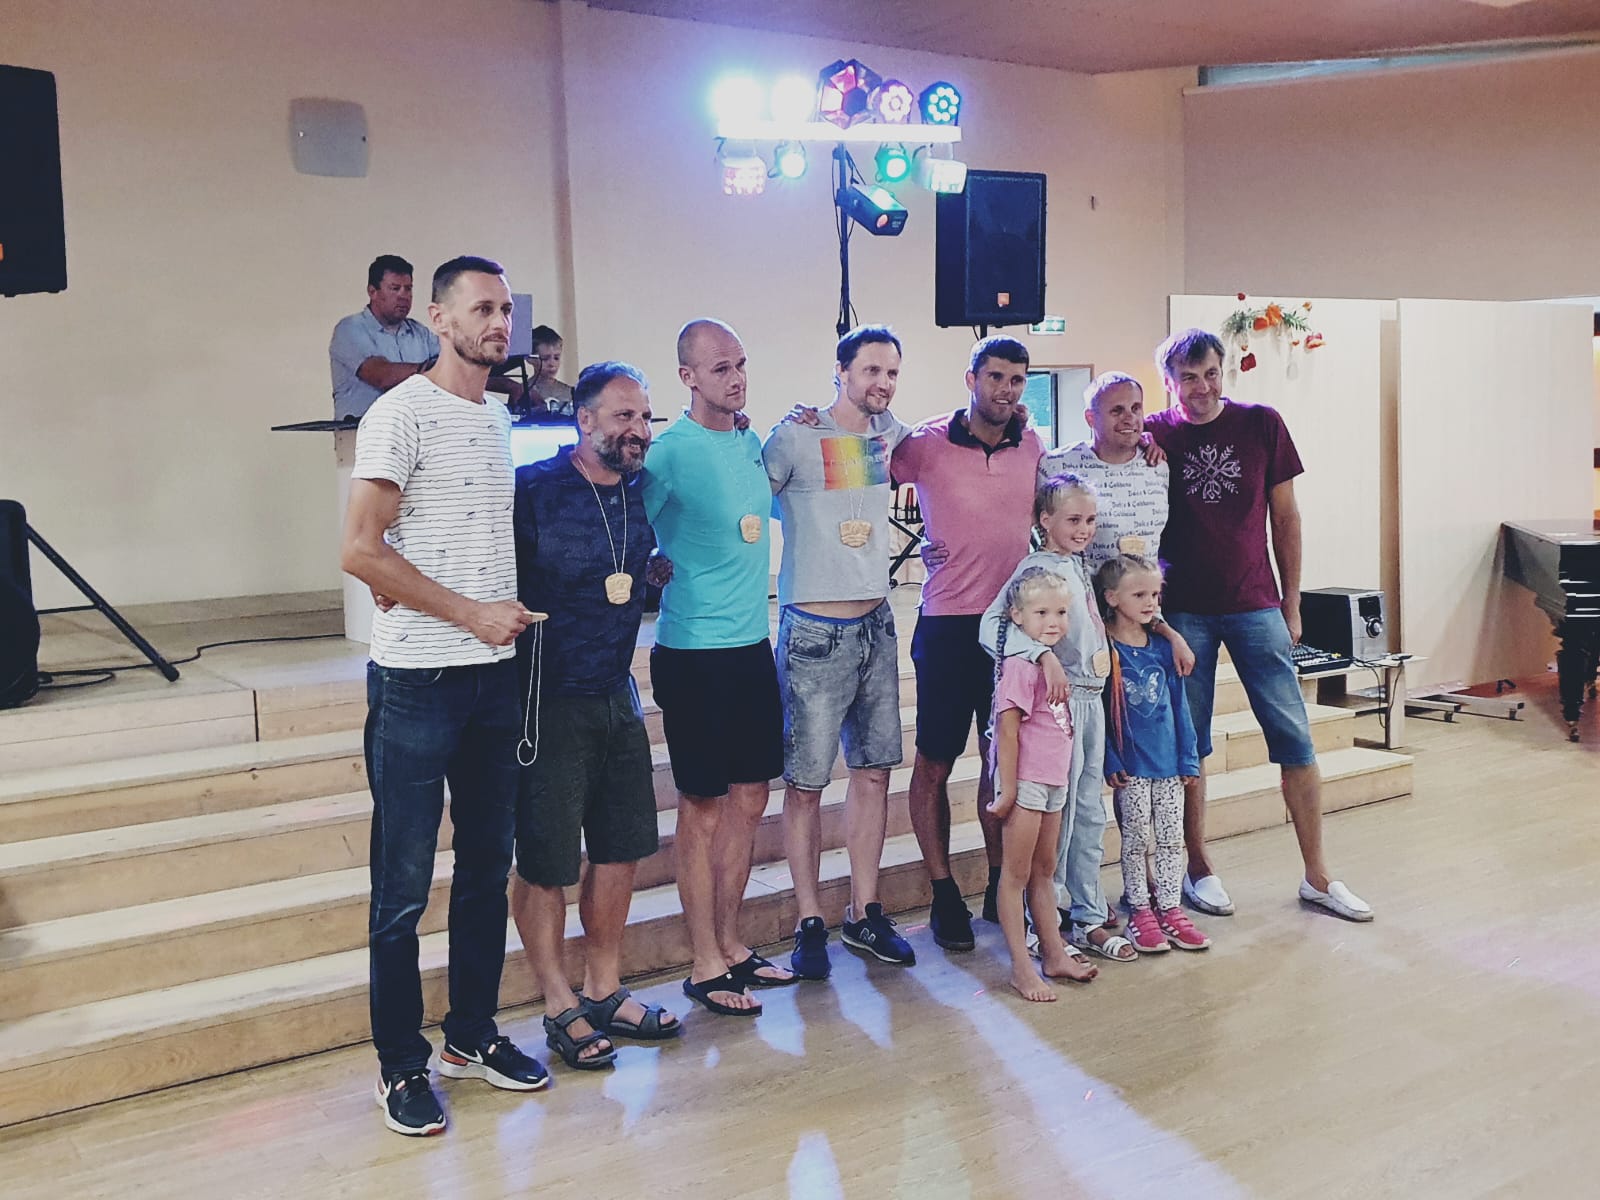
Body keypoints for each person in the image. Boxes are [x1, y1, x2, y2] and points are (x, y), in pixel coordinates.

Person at [341, 255, 548, 1137]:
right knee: (401, 887)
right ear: (438, 317)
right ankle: (400, 1065)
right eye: (481, 308)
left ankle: (470, 1035)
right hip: (417, 682)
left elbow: (449, 536)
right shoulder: (400, 412)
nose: (499, 323)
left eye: (505, 310)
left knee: (485, 871)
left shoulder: (496, 415)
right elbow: (360, 548)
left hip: (493, 681)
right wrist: (467, 612)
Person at [1148, 329, 1372, 922]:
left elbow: (1286, 518)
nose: (1202, 387)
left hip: (1256, 604)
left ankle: (1318, 875)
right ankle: (1198, 868)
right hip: (1183, 611)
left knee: (1294, 738)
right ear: (1169, 382)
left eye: (1211, 373)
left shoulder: (1261, 424)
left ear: (1223, 372)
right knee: (1189, 746)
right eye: (1188, 377)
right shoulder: (1154, 434)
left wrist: (1291, 603)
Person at [509, 360, 682, 1073]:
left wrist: (651, 580)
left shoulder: (639, 489)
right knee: (546, 860)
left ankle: (604, 987)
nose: (637, 429)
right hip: (546, 699)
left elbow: (628, 572)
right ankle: (557, 1001)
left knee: (620, 847)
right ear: (584, 421)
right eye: (622, 416)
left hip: (616, 691)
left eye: (644, 416)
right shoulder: (534, 489)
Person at [643, 319, 794, 1016]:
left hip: (750, 645)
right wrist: (649, 568)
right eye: (720, 368)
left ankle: (731, 944)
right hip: (692, 651)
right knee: (701, 810)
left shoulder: (749, 442)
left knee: (751, 798)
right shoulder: (669, 451)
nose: (736, 379)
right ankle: (703, 961)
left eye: (740, 364)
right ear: (688, 377)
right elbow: (627, 527)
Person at [763, 324, 916, 978]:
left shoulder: (888, 436)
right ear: (841, 371)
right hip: (814, 634)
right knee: (805, 785)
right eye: (870, 370)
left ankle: (864, 911)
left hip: (876, 626)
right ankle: (809, 920)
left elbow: (945, 438)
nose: (882, 383)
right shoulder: (794, 436)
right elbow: (753, 501)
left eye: (891, 372)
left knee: (874, 773)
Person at [889, 336, 1045, 954]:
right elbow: (860, 474)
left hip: (1011, 629)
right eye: (995, 377)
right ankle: (943, 892)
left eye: (1016, 380)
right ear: (971, 378)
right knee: (934, 761)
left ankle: (1001, 888)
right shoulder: (926, 443)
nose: (1005, 390)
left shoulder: (1031, 444)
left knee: (999, 763)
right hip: (948, 626)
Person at [1040, 370, 1214, 915]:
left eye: (1136, 408)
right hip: (1083, 641)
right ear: (1090, 418)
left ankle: (1149, 892)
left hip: (1142, 633)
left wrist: (1163, 628)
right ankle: (1064, 897)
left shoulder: (1156, 463)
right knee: (1083, 779)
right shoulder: (1060, 465)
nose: (1130, 419)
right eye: (1116, 410)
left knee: (1133, 773)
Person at [981, 474, 1136, 966]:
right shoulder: (1035, 569)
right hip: (1060, 705)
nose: (1084, 529)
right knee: (1061, 822)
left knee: (1088, 812)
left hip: (1091, 703)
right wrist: (1041, 655)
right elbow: (992, 625)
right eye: (1073, 519)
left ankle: (1088, 913)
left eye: (1090, 519)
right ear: (1045, 520)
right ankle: (1046, 926)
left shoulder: (1075, 565)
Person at [986, 566, 1100, 1001]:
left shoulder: (1054, 664)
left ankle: (1054, 953)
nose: (1053, 622)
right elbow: (1007, 729)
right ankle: (1020, 967)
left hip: (1054, 780)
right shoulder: (1020, 666)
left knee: (1044, 870)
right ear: (1016, 616)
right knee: (1015, 875)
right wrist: (1009, 790)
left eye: (1061, 613)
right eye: (1041, 613)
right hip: (1027, 781)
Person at [1097, 554, 1208, 953]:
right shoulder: (1106, 650)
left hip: (1169, 766)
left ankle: (1171, 908)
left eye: (1155, 595)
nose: (1150, 603)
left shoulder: (1162, 648)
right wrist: (1110, 758)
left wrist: (1188, 757)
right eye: (1139, 595)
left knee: (1171, 838)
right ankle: (1140, 910)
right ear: (1112, 597)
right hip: (1132, 768)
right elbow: (1101, 713)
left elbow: (1180, 706)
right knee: (1135, 839)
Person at [329, 255, 439, 421]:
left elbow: (455, 362)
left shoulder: (420, 332)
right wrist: (432, 369)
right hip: (361, 431)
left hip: (413, 429)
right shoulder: (349, 329)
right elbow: (381, 375)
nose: (404, 296)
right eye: (395, 288)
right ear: (372, 292)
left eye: (408, 289)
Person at [530, 325, 575, 414]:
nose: (552, 364)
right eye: (545, 359)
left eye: (556, 358)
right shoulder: (522, 392)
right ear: (530, 359)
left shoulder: (570, 392)